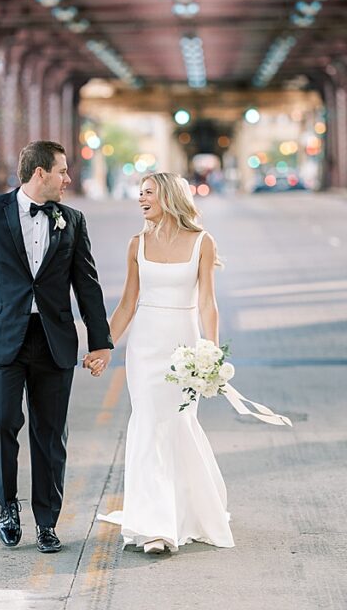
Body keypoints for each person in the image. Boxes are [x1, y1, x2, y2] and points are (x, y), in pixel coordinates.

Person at [0, 140, 114, 554]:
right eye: (62, 171)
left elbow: (87, 287)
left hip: (53, 340)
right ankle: (7, 507)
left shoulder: (72, 220)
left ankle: (47, 522)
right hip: (0, 338)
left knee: (50, 434)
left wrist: (101, 342)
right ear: (40, 173)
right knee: (0, 423)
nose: (68, 178)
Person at [96, 172, 234, 553]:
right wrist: (103, 346)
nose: (141, 199)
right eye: (139, 193)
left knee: (179, 423)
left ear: (169, 197)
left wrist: (212, 354)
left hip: (185, 345)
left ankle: (185, 511)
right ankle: (155, 525)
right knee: (147, 424)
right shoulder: (136, 244)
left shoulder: (202, 242)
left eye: (149, 193)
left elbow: (207, 302)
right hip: (145, 346)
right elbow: (126, 304)